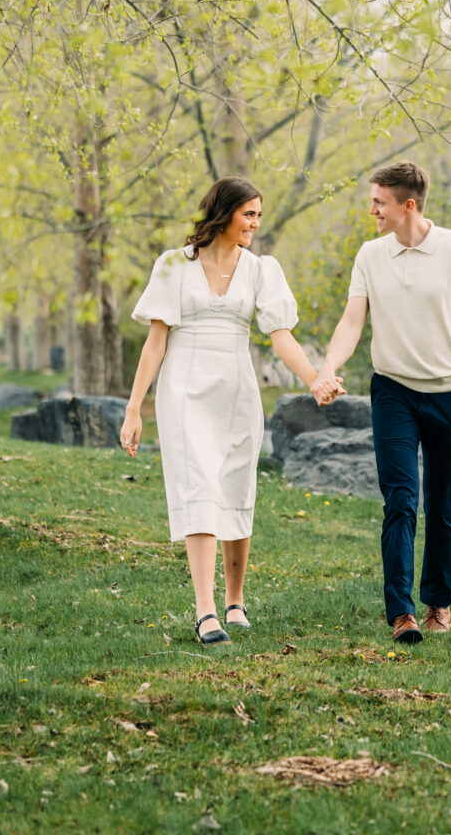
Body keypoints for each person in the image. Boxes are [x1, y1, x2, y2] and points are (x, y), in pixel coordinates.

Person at [120, 177, 341, 647]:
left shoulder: (262, 270)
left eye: (259, 215)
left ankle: (235, 600)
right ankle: (205, 612)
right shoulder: (173, 266)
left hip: (238, 391)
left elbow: (280, 336)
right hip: (184, 391)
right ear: (223, 214)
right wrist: (134, 407)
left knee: (236, 489)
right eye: (249, 214)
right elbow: (156, 340)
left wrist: (315, 379)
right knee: (198, 486)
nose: (255, 224)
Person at [312, 162, 451, 644]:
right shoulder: (371, 256)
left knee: (440, 502)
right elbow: (352, 321)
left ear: (407, 205)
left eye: (379, 202)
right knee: (400, 499)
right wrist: (328, 368)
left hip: (450, 393)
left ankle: (439, 602)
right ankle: (401, 612)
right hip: (393, 390)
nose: (372, 209)